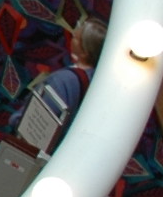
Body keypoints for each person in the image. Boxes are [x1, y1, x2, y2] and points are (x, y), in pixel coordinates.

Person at [15, 17, 103, 154]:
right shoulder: (98, 82)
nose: (71, 39)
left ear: (85, 51)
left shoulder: (63, 80)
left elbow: (37, 125)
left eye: (76, 38)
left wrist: (16, 120)